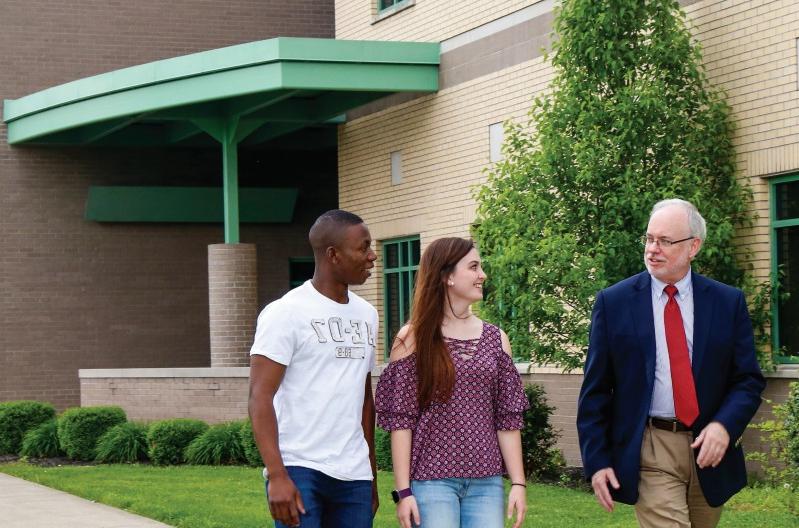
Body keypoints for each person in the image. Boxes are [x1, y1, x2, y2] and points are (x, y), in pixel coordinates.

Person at [577, 199, 766, 527]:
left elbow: (747, 379)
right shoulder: (615, 303)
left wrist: (724, 426)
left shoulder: (726, 302)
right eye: (649, 239)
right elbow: (595, 390)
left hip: (708, 449)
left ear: (693, 246)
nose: (653, 249)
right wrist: (597, 459)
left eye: (665, 241)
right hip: (651, 447)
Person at [375, 237, 529, 528]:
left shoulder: (497, 340)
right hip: (432, 481)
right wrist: (404, 491)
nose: (482, 275)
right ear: (447, 276)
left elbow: (507, 419)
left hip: (487, 483)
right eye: (473, 267)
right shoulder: (412, 339)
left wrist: (518, 483)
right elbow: (401, 423)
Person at [248, 209, 379, 528]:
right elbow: (259, 397)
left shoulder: (368, 315)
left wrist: (371, 477)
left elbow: (364, 401)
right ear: (333, 255)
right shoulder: (286, 313)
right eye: (363, 248)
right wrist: (277, 475)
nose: (372, 256)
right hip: (300, 469)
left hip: (354, 476)